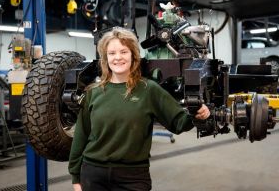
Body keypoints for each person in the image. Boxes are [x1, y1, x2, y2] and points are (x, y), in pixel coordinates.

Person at [68, 27, 210, 191]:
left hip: (132, 177)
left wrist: (197, 113)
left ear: (133, 55)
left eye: (124, 51)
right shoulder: (94, 92)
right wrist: (75, 177)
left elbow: (178, 122)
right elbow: (81, 135)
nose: (118, 57)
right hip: (93, 175)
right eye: (112, 53)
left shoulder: (148, 89)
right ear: (105, 58)